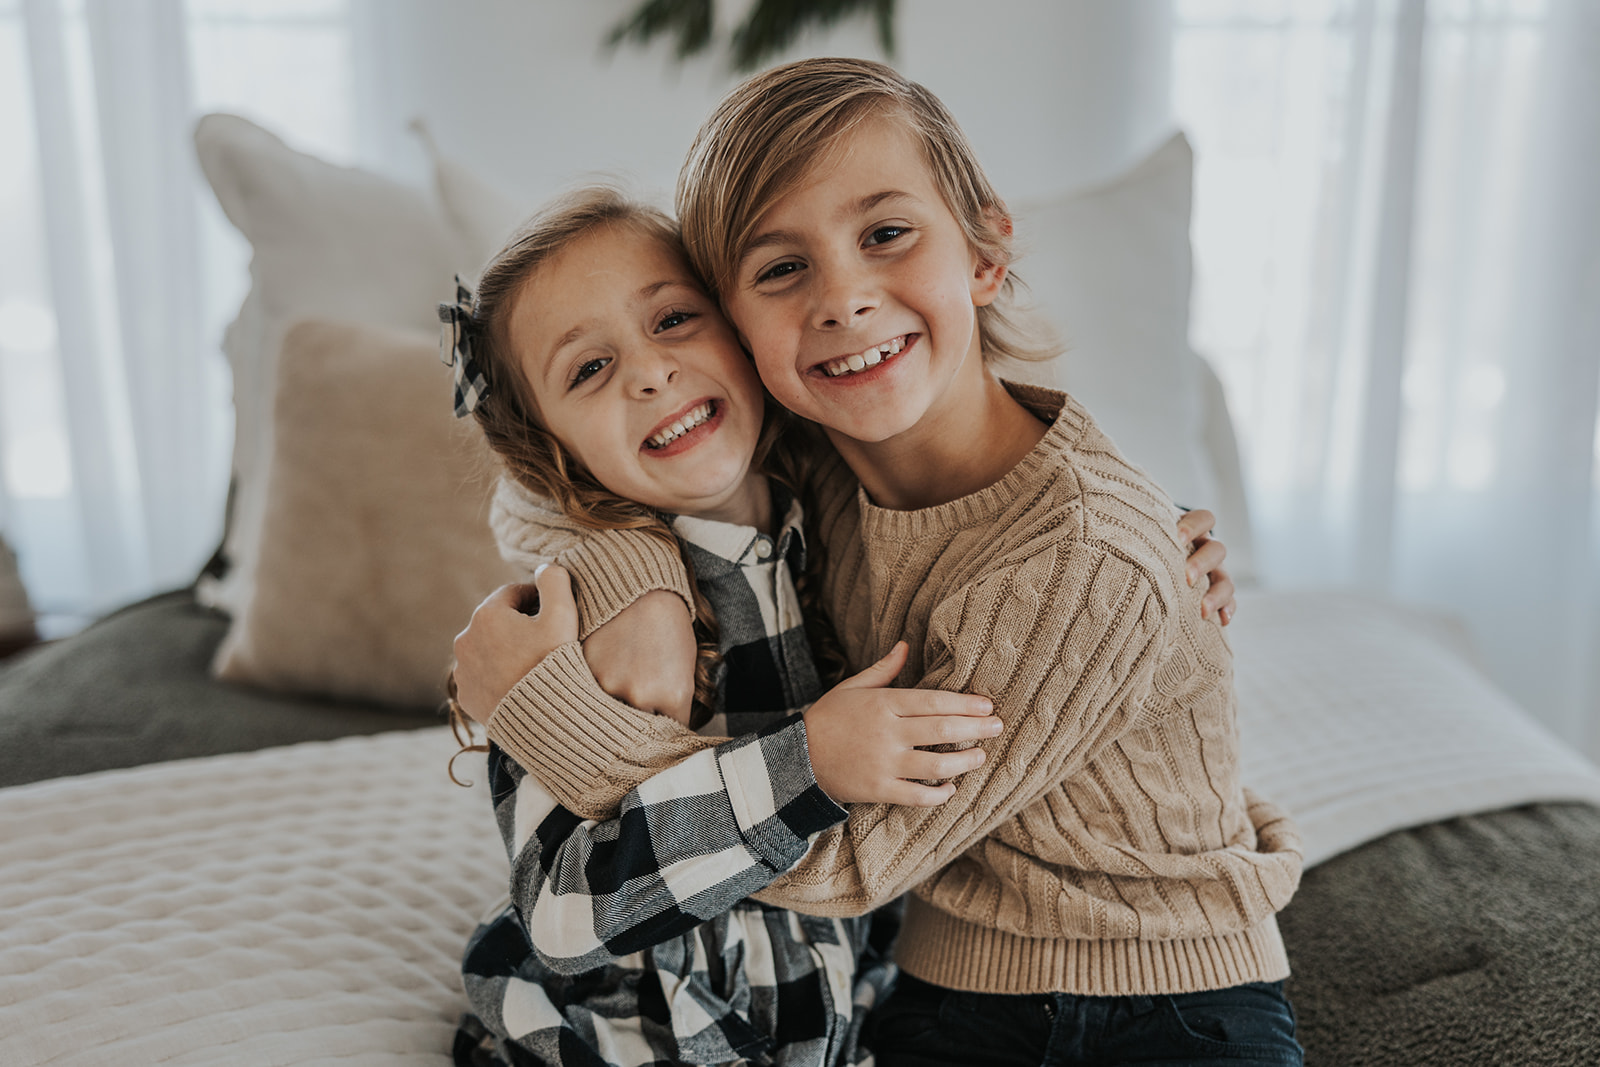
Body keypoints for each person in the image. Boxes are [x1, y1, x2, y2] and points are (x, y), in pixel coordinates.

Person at [452, 58, 1304, 1066]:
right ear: (748, 329)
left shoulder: (1091, 557)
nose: (844, 300)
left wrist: (551, 710)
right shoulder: (811, 469)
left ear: (984, 251)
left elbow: (855, 858)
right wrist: (636, 571)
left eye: (886, 234)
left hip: (1165, 998)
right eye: (780, 269)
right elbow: (541, 475)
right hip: (931, 986)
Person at [443, 187, 1009, 1067]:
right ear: (549, 448)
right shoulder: (576, 620)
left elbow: (984, 480)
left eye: (674, 318)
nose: (647, 372)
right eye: (588, 369)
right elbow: (562, 912)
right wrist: (808, 765)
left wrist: (1154, 536)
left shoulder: (834, 515)